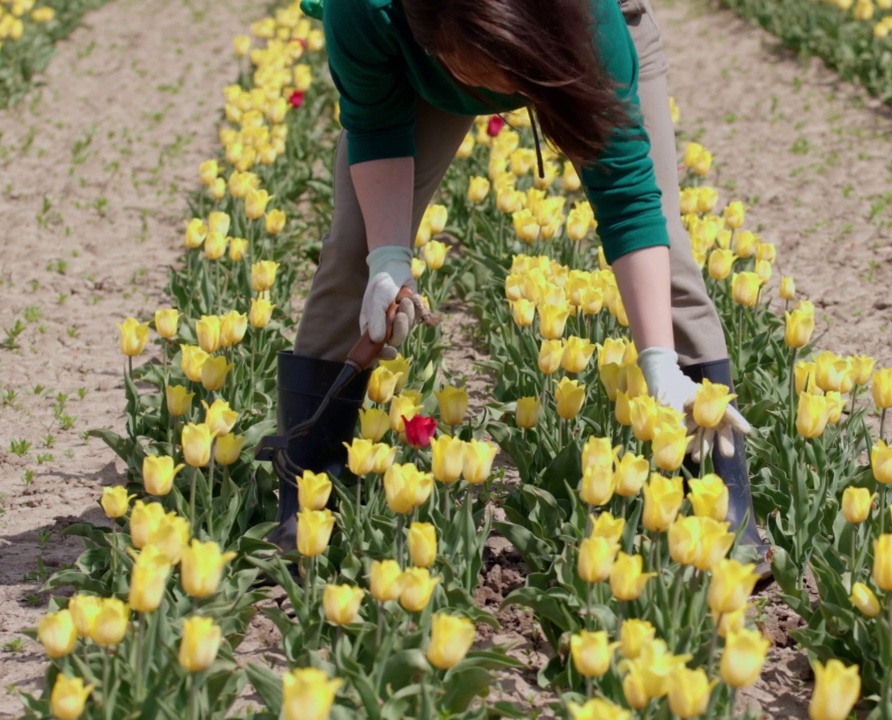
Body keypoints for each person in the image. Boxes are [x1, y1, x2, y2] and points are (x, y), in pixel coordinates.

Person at [272, 0, 769, 571]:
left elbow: (629, 198)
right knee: (352, 252)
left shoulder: (590, 19)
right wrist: (387, 259)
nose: (495, 100)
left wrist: (657, 362)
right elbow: (375, 125)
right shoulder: (364, 9)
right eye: (474, 73)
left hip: (570, 39)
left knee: (668, 249)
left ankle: (715, 497)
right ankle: (309, 489)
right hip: (424, 53)